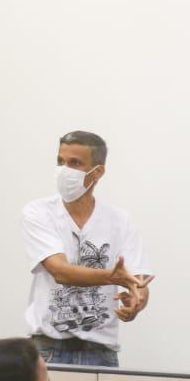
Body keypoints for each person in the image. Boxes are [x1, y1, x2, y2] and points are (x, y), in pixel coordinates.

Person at [21, 131, 151, 367]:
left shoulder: (120, 221)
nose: (64, 170)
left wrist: (137, 300)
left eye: (75, 163)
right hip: (48, 349)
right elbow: (60, 271)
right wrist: (113, 277)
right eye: (60, 161)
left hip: (101, 352)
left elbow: (137, 280)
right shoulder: (39, 212)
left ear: (97, 172)